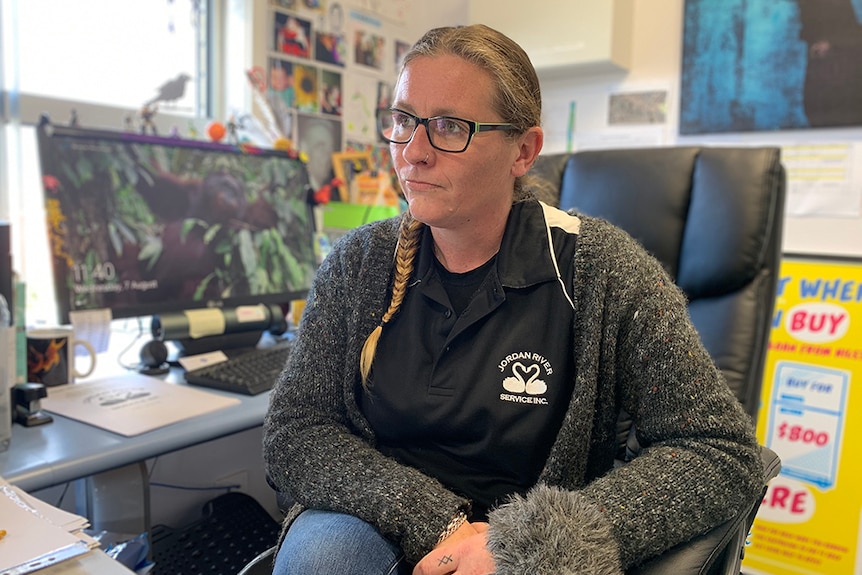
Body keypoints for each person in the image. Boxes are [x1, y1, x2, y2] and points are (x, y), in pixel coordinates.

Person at [262, 24, 764, 575]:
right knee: (324, 557)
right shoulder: (357, 265)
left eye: (449, 127)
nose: (414, 152)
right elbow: (295, 430)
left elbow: (720, 449)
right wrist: (438, 522)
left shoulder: (603, 271)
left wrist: (539, 540)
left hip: (526, 550)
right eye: (405, 120)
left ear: (523, 150)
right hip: (379, 520)